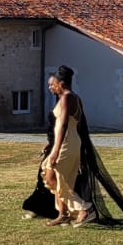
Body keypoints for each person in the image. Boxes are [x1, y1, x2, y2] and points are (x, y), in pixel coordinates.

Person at [43, 65, 96, 227]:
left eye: (52, 84)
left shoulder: (67, 98)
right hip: (70, 142)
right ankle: (63, 213)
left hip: (66, 142)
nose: (50, 87)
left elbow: (64, 125)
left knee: (59, 179)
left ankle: (85, 209)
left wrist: (55, 150)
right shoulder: (74, 98)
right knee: (51, 177)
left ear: (61, 83)